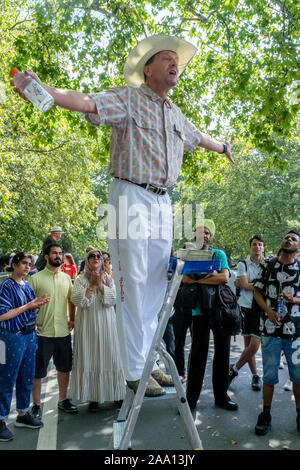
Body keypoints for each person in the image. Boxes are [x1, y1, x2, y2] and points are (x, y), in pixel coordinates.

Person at [12, 34, 234, 395]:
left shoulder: (176, 114)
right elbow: (87, 102)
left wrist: (223, 147)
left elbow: (200, 137)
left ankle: (147, 358)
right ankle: (134, 371)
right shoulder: (128, 99)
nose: (174, 63)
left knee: (156, 284)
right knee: (131, 278)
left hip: (163, 201)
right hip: (130, 193)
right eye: (166, 58)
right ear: (148, 70)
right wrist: (45, 90)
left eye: (176, 59)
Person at [185, 221, 239, 411]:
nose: (204, 236)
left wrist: (199, 277)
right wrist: (211, 274)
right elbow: (185, 278)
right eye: (201, 232)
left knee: (223, 354)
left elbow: (224, 278)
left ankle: (221, 397)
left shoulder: (219, 254)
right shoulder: (190, 255)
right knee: (198, 355)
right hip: (198, 311)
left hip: (220, 310)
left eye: (207, 233)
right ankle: (190, 400)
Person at [253, 230, 300, 435]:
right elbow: (257, 291)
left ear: (298, 246)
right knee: (270, 374)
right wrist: (269, 311)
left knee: (298, 376)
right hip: (270, 329)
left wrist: (295, 300)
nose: (289, 239)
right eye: (287, 237)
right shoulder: (268, 264)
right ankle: (265, 414)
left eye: (294, 239)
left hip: (296, 332)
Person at [0, 252, 48, 442]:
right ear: (14, 264)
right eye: (24, 263)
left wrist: (37, 306)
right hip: (11, 337)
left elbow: (31, 309)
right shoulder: (6, 286)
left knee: (26, 376)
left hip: (29, 336)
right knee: (6, 377)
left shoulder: (26, 285)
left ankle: (22, 414)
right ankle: (1, 420)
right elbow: (3, 315)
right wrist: (29, 306)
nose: (28, 267)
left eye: (30, 264)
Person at [70, 249, 126, 410]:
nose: (95, 258)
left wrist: (100, 284)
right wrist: (92, 284)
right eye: (91, 256)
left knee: (111, 356)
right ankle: (93, 397)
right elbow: (78, 301)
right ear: (87, 261)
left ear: (102, 261)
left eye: (98, 256)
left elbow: (113, 299)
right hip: (87, 324)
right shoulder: (80, 279)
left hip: (106, 323)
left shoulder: (108, 278)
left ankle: (117, 395)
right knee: (90, 357)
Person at [28, 243, 78, 418]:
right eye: (54, 253)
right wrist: (32, 323)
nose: (58, 256)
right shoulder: (35, 279)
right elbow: (26, 305)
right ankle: (36, 405)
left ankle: (63, 400)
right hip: (42, 334)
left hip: (63, 332)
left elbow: (71, 300)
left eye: (59, 253)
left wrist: (72, 318)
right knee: (38, 371)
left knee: (64, 368)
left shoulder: (66, 278)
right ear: (46, 256)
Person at [228, 235, 265, 391]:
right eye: (254, 244)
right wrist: (257, 285)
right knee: (248, 345)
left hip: (261, 308)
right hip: (246, 306)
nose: (257, 247)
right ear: (250, 247)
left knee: (254, 346)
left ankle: (234, 369)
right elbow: (243, 284)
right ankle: (255, 376)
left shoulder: (268, 264)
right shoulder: (243, 264)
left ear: (263, 247)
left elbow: (248, 285)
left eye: (260, 244)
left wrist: (249, 284)